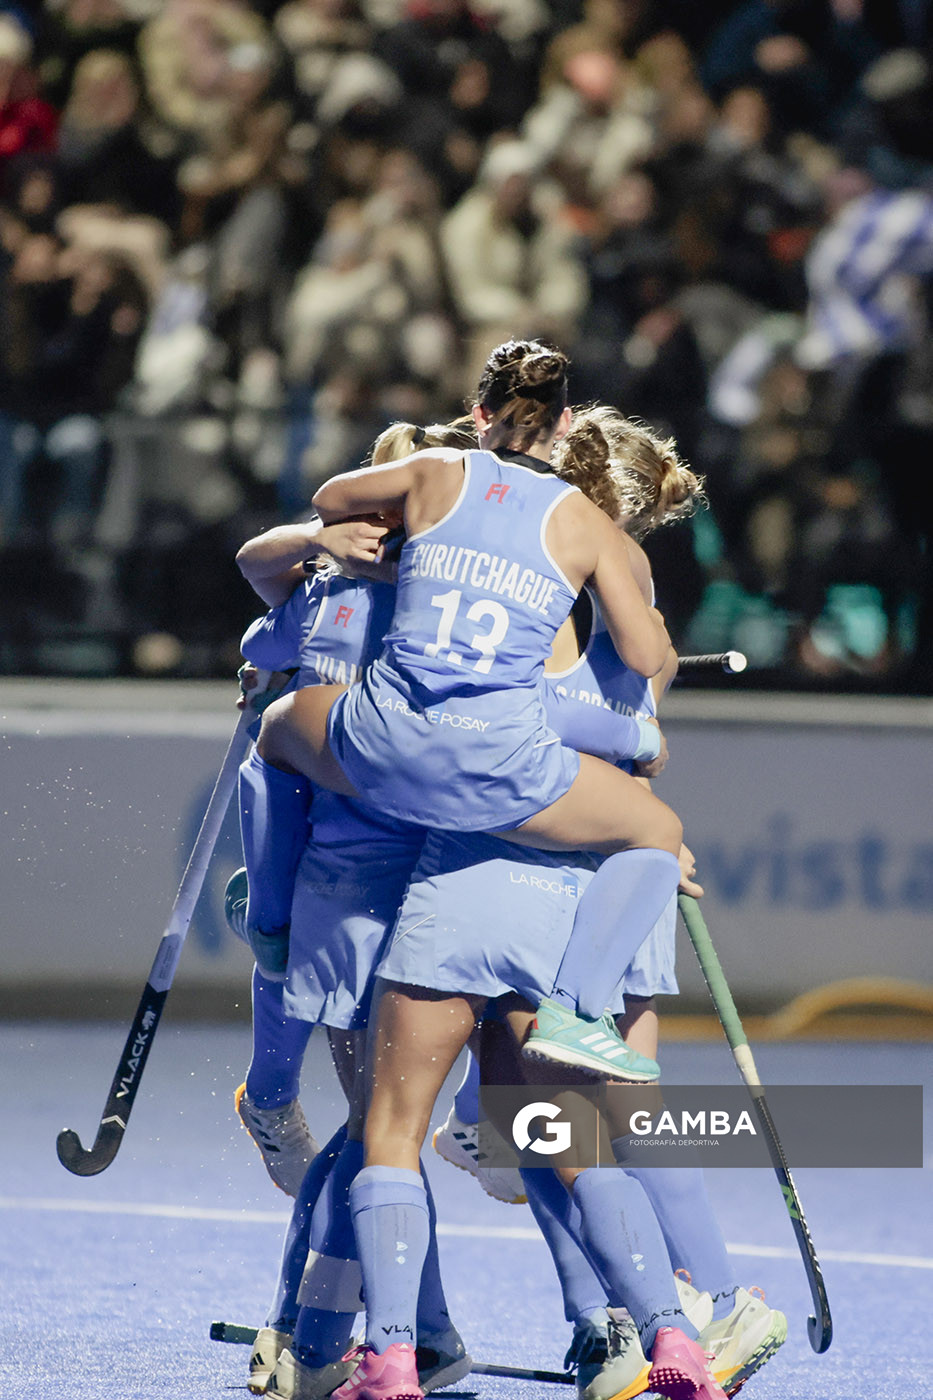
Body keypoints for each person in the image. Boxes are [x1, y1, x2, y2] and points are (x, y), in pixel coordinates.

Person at [256, 339, 685, 1086]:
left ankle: (265, 916)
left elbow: (329, 497)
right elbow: (645, 658)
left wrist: (343, 538)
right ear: (564, 423)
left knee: (275, 728)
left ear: (477, 412)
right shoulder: (584, 521)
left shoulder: (432, 470)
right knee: (657, 830)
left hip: (379, 748)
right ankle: (576, 1014)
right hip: (493, 769)